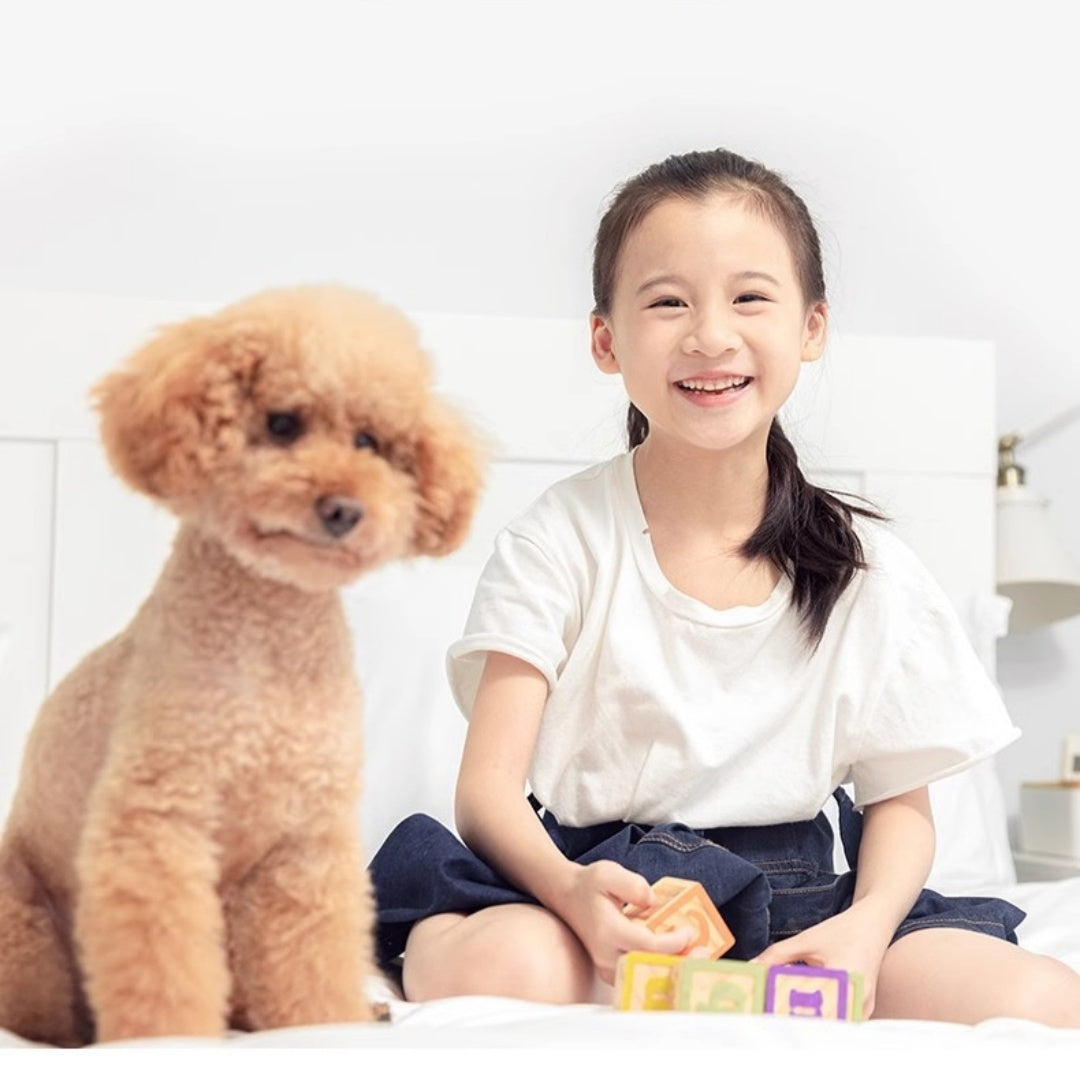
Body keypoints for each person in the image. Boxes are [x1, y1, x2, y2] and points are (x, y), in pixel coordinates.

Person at [369, 147, 1080, 1025]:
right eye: (668, 302)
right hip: (598, 885)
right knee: (508, 963)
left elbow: (901, 806)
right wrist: (569, 891)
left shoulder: (869, 566)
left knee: (1042, 997)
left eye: (750, 297)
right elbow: (486, 790)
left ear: (811, 328)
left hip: (808, 904)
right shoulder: (559, 539)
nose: (710, 335)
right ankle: (430, 936)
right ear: (606, 339)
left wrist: (865, 930)